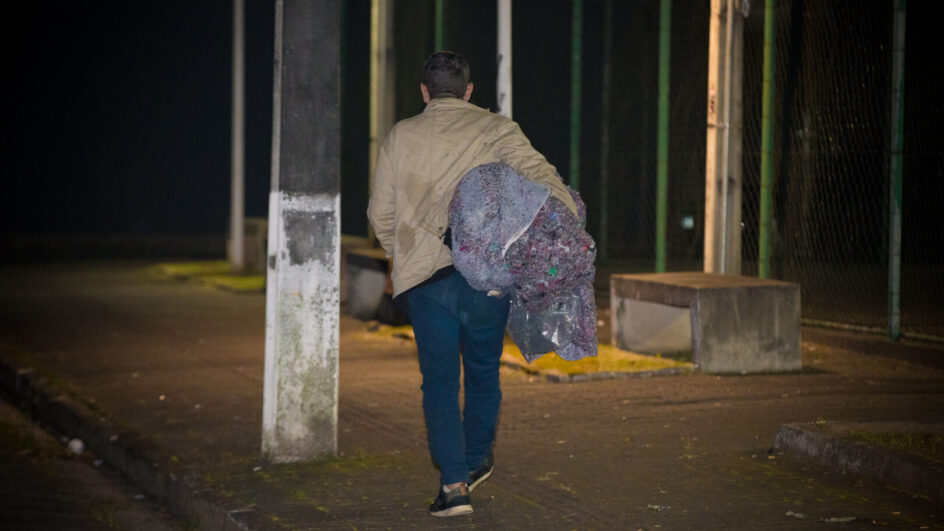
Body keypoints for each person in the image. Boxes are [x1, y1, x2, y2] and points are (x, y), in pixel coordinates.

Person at [367, 51, 577, 517]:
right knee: (483, 372)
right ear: (468, 91)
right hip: (487, 278)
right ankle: (478, 456)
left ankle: (455, 484)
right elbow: (538, 173)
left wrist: (400, 252)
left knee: (439, 383)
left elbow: (380, 214)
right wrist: (568, 215)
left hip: (425, 281)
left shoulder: (401, 136)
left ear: (424, 92)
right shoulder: (496, 128)